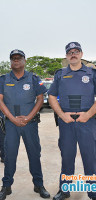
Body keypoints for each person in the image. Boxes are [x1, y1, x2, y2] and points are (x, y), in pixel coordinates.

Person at [0, 49, 50, 200]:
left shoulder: (33, 78)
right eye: (13, 58)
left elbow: (40, 99)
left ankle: (39, 184)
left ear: (24, 61)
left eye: (19, 58)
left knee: (34, 155)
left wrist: (28, 117)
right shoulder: (4, 78)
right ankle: (6, 186)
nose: (16, 60)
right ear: (11, 62)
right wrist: (12, 118)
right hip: (11, 125)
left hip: (30, 124)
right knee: (10, 156)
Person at [48, 42, 96, 200]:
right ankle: (65, 190)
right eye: (70, 52)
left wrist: (88, 115)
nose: (73, 54)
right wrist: (62, 115)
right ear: (66, 55)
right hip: (66, 122)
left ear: (81, 54)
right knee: (67, 157)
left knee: (90, 157)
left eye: (76, 51)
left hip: (87, 122)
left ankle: (93, 191)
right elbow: (52, 96)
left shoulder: (92, 73)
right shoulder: (60, 74)